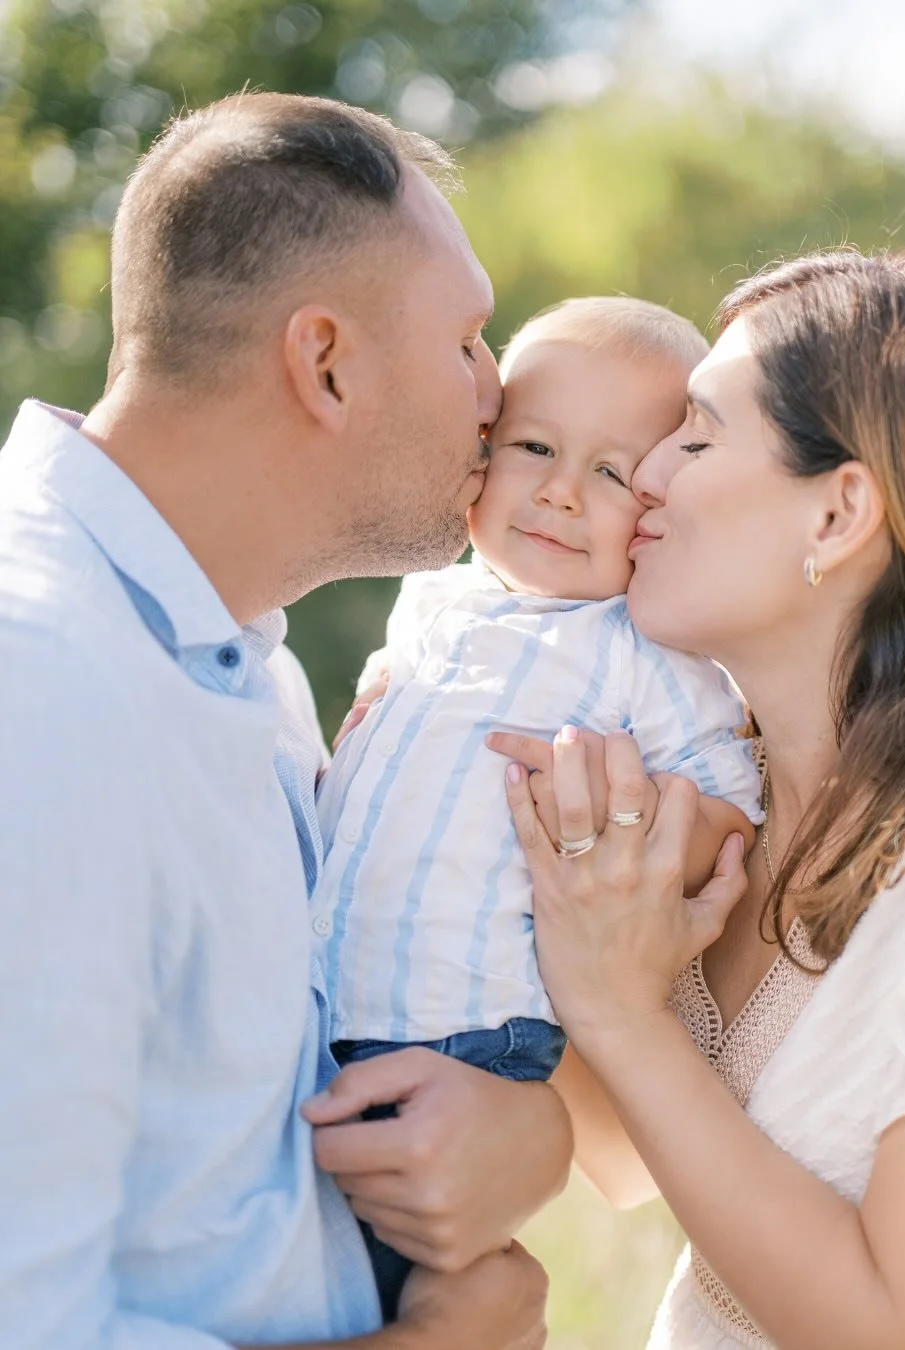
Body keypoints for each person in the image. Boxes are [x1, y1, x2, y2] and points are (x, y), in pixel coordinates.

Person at [0, 92, 571, 1350]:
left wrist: (528, 1129)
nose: (499, 389)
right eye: (469, 339)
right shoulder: (37, 692)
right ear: (326, 363)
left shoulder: (241, 665)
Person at [491, 250, 905, 1349]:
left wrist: (620, 1006)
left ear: (837, 513)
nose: (647, 473)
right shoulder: (724, 797)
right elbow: (625, 1159)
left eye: (698, 436)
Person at [315, 296, 762, 1315]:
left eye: (609, 472)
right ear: (478, 455)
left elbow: (732, 812)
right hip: (320, 1000)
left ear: (654, 510)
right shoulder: (430, 598)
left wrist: (631, 808)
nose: (561, 494)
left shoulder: (642, 648)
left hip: (468, 1030)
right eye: (534, 447)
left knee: (398, 1266)